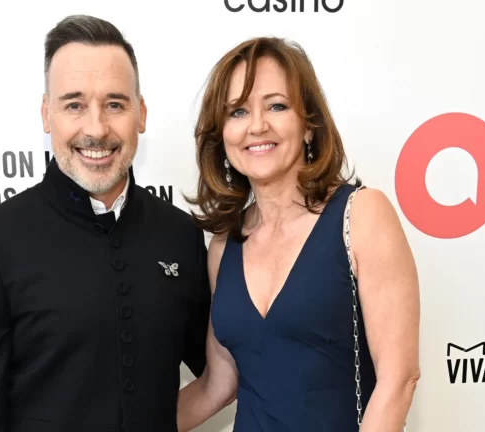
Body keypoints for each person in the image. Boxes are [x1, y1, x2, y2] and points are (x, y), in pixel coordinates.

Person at [0, 15, 211, 432]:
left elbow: (224, 367)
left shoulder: (181, 236)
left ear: (140, 114)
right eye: (74, 105)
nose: (96, 128)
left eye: (115, 104)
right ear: (47, 114)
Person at [177, 37, 421, 431]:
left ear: (308, 125)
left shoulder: (361, 215)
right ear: (222, 134)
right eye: (238, 111)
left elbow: (399, 379)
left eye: (276, 105)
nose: (257, 125)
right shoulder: (224, 246)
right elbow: (217, 385)